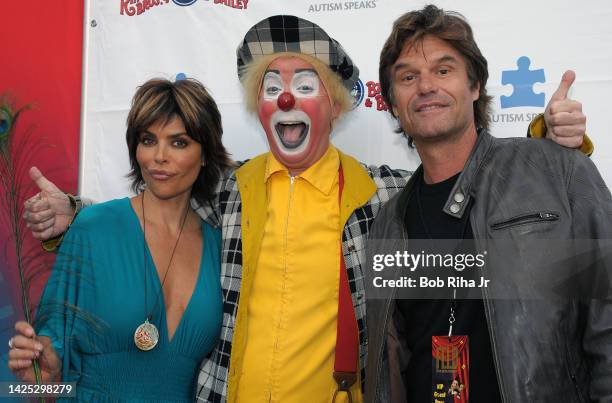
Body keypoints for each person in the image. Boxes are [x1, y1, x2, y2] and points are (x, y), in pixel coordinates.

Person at [21, 15, 589, 403]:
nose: (286, 97)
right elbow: (158, 205)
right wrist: (75, 213)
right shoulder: (228, 190)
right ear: (259, 108)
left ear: (335, 108)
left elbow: (470, 183)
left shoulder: (382, 194)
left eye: (303, 84)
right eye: (272, 86)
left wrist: (551, 140)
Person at [364, 5, 612, 403]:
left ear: (475, 86)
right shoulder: (389, 224)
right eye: (408, 77)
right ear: (393, 103)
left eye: (444, 71)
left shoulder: (558, 172)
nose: (426, 86)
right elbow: (393, 363)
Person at [7, 78, 233, 401]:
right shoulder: (92, 230)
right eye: (148, 140)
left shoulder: (219, 249)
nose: (159, 156)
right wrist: (45, 369)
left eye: (179, 142)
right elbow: (46, 380)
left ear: (206, 154)